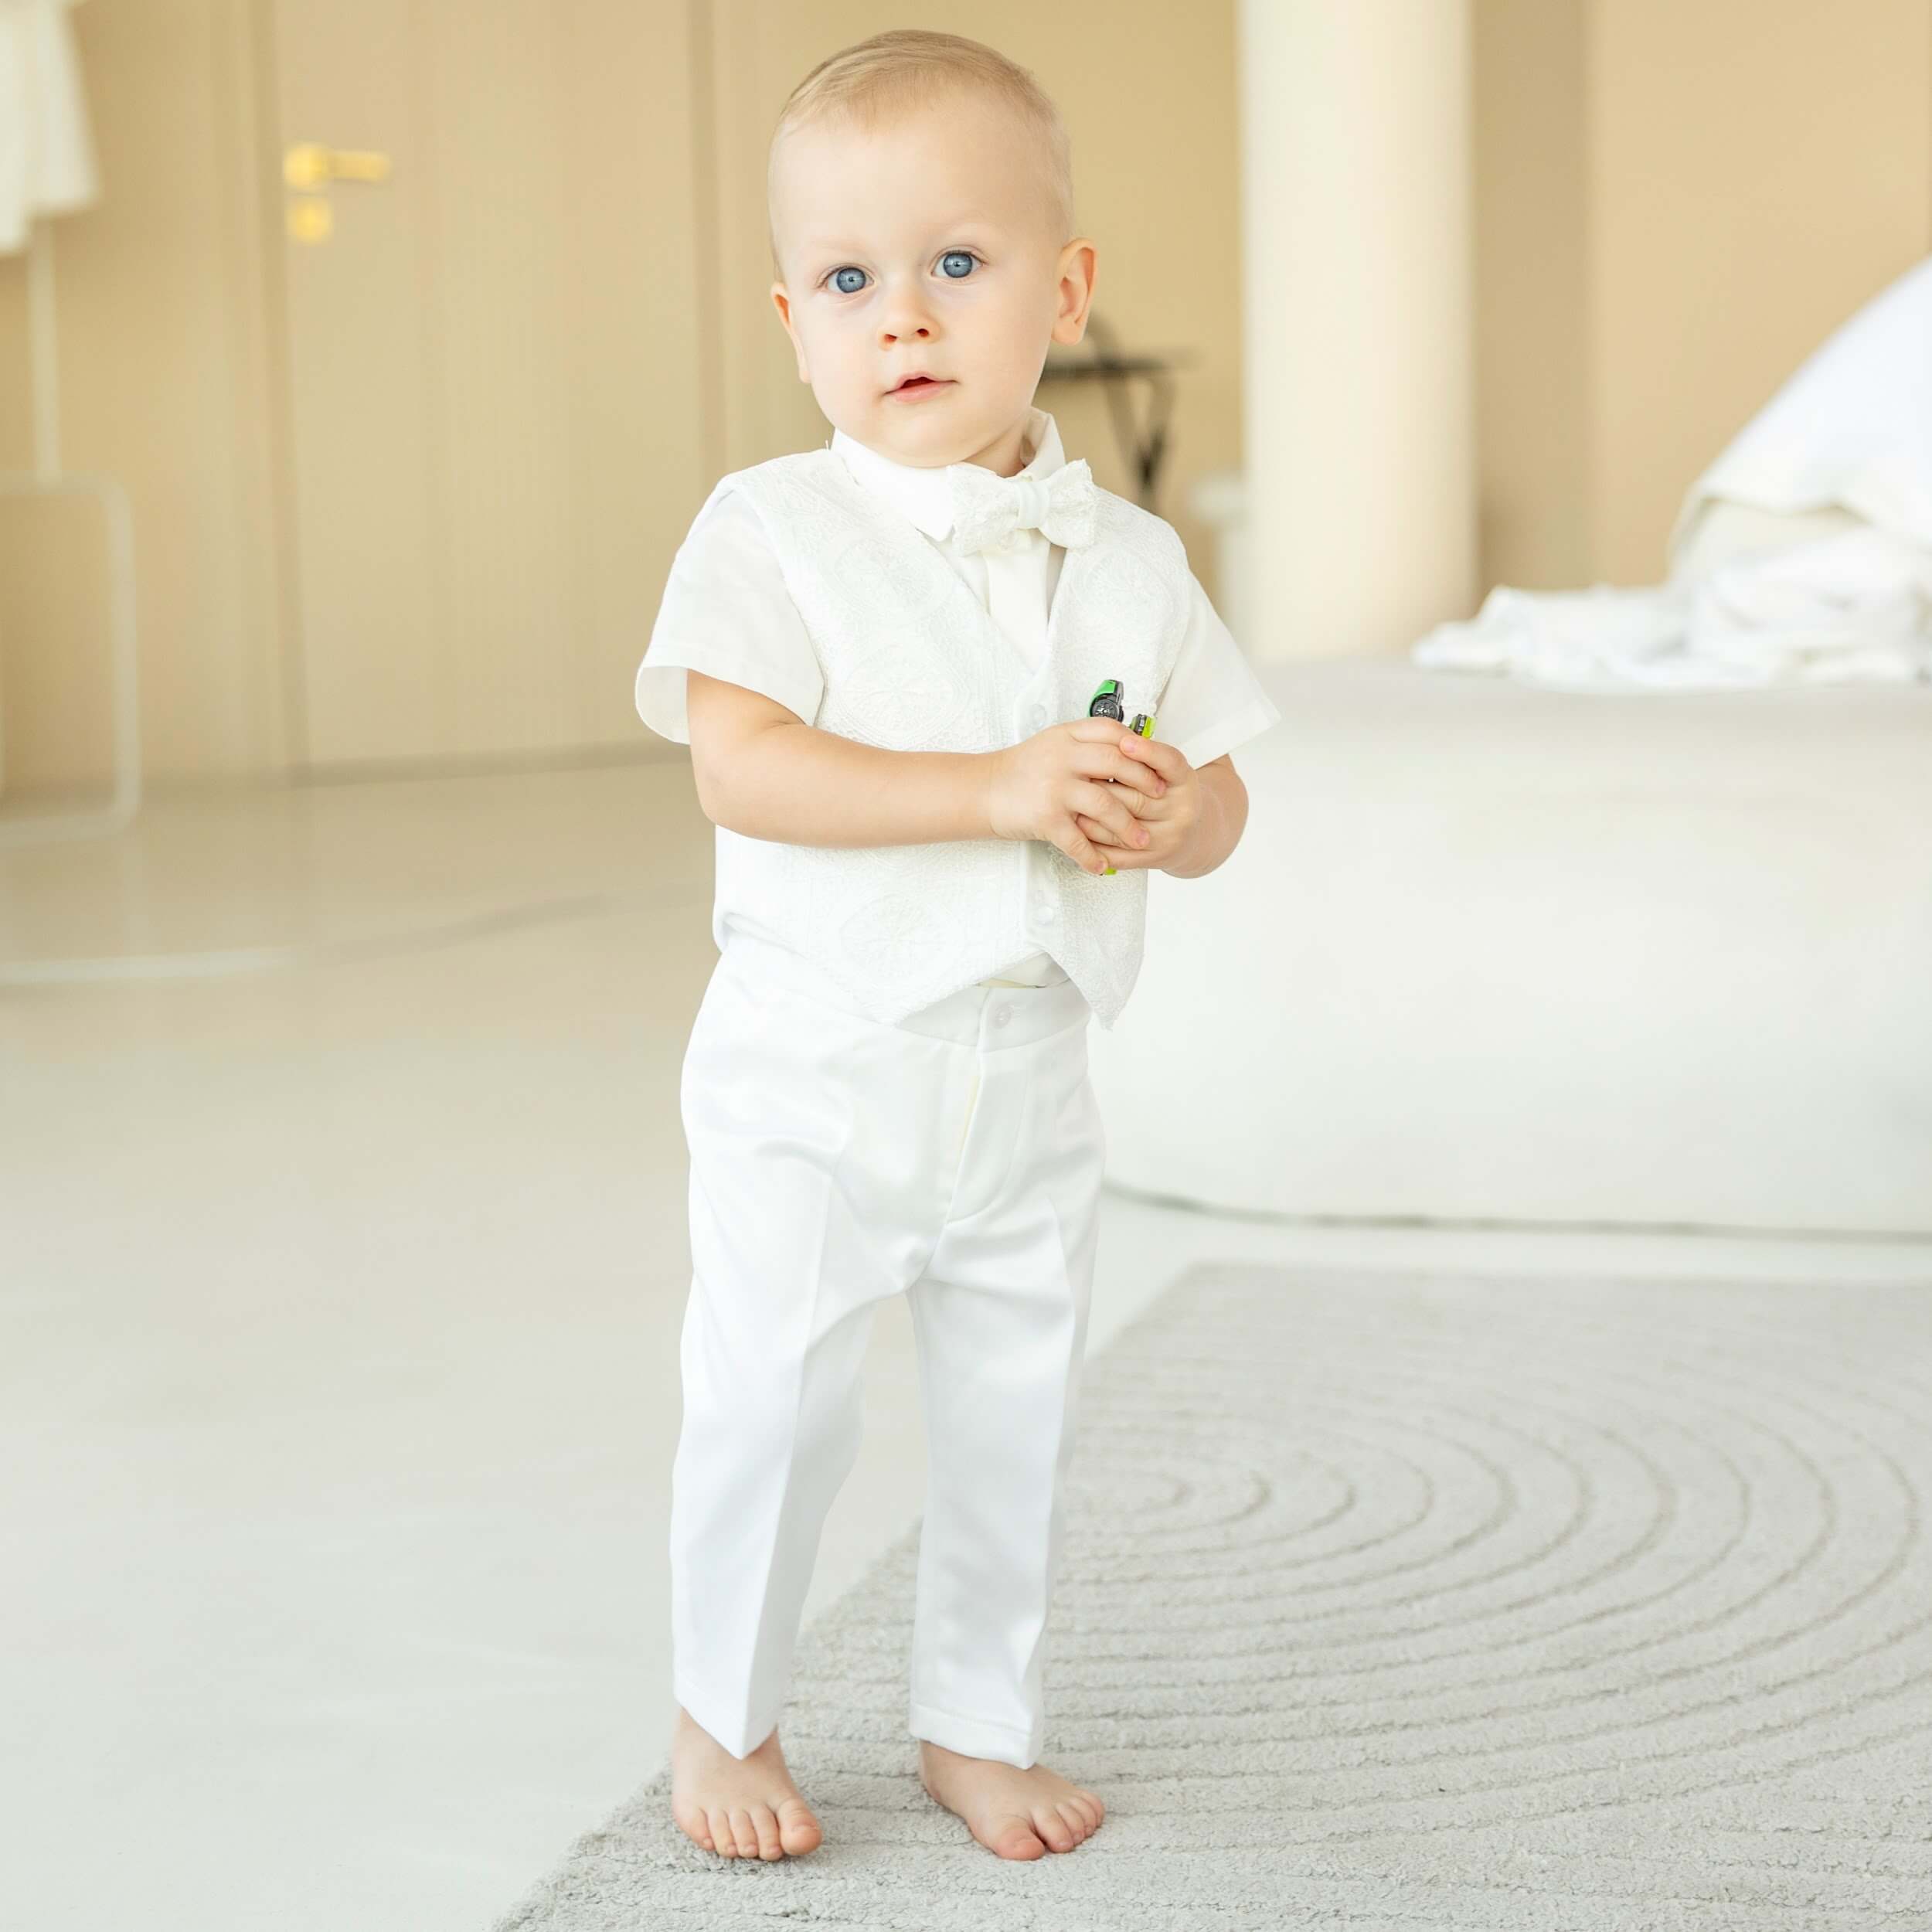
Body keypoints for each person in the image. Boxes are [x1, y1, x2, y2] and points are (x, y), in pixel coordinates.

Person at [634, 26, 1281, 1867]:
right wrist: (995, 787)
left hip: (1022, 1068)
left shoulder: (1131, 560)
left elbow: (1219, 795)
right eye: (847, 280)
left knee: (1012, 1412)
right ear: (790, 317)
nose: (900, 317)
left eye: (955, 263)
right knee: (770, 1396)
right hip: (816, 1063)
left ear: (1062, 290)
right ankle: (720, 1707)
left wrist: (1179, 815)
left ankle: (973, 1720)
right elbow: (740, 768)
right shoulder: (772, 531)